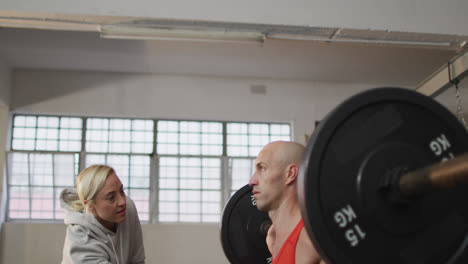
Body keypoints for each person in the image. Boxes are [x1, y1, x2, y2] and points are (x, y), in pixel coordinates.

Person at [249, 141, 325, 264]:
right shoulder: (272, 237)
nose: (252, 181)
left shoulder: (313, 240)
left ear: (290, 174)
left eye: (262, 168)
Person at [61, 164, 145, 264]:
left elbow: (137, 260)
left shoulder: (128, 208)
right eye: (111, 197)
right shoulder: (81, 239)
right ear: (90, 205)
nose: (122, 201)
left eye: (121, 191)